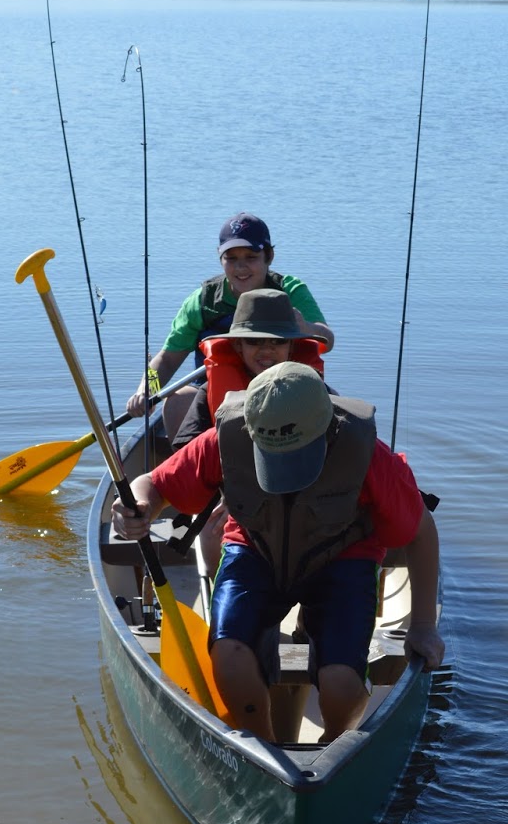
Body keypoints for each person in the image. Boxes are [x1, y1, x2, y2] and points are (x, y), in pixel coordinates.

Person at [112, 361, 444, 744]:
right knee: (230, 656)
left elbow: (420, 531)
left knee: (340, 681)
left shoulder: (368, 455)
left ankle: (336, 745)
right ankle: (260, 745)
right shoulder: (227, 438)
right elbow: (152, 484)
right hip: (255, 550)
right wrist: (137, 508)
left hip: (343, 558)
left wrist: (422, 626)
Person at [125, 213, 333, 438]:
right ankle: (189, 465)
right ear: (220, 257)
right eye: (231, 258)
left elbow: (327, 339)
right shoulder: (202, 301)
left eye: (251, 257)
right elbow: (167, 359)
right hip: (215, 393)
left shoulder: (290, 291)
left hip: (283, 389)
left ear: (269, 256)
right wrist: (146, 390)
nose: (241, 267)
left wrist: (306, 327)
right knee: (177, 401)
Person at [172, 286, 330, 574]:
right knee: (212, 528)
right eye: (254, 341)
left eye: (278, 342)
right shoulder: (210, 391)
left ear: (292, 347)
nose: (266, 350)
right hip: (231, 496)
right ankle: (215, 589)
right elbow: (188, 453)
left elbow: (344, 445)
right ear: (237, 346)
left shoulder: (313, 391)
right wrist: (229, 493)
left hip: (300, 495)